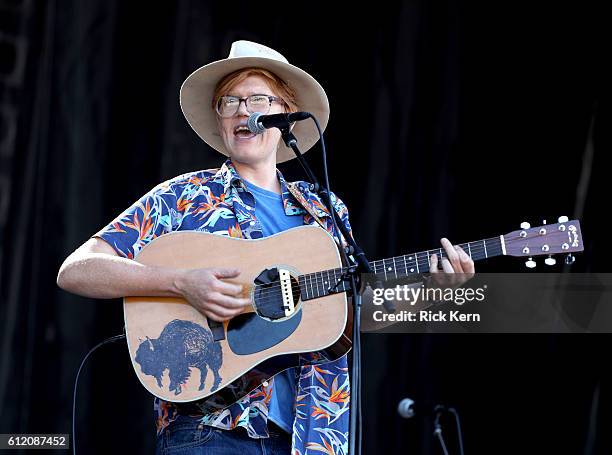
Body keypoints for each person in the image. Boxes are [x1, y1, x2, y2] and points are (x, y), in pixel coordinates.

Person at [57, 40, 475, 455]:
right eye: (229, 102)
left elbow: (352, 316)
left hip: (314, 435)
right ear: (220, 120)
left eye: (258, 99)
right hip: (211, 432)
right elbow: (77, 269)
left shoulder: (325, 211)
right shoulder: (183, 196)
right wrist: (180, 283)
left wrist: (434, 291)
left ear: (284, 115)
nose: (243, 111)